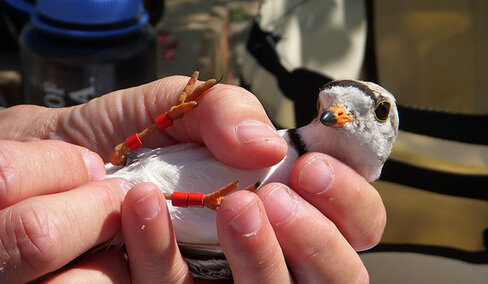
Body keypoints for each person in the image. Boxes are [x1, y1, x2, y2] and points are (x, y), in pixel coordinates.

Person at [0, 76, 385, 283]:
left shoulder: (314, 206)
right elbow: (126, 162)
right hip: (97, 179)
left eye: (380, 112)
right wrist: (169, 118)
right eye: (329, 106)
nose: (339, 115)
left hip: (107, 239)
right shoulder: (274, 147)